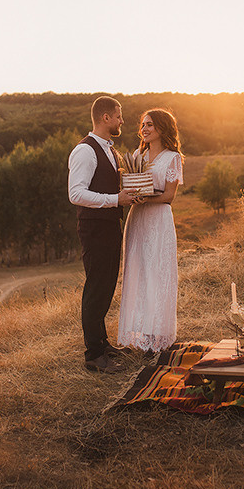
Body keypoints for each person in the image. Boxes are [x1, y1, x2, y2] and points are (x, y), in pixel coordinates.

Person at [68, 96, 143, 373]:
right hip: (94, 228)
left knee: (107, 286)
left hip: (111, 226)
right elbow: (75, 193)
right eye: (118, 115)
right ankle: (93, 355)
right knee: (96, 289)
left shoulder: (111, 150)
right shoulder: (85, 151)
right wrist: (115, 200)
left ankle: (103, 343)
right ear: (105, 118)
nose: (122, 120)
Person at [118, 108, 183, 354]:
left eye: (150, 125)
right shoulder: (137, 155)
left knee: (158, 273)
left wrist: (147, 200)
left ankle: (158, 336)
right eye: (143, 125)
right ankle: (139, 336)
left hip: (158, 219)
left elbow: (169, 196)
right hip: (138, 219)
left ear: (162, 129)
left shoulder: (172, 158)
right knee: (138, 272)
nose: (144, 129)